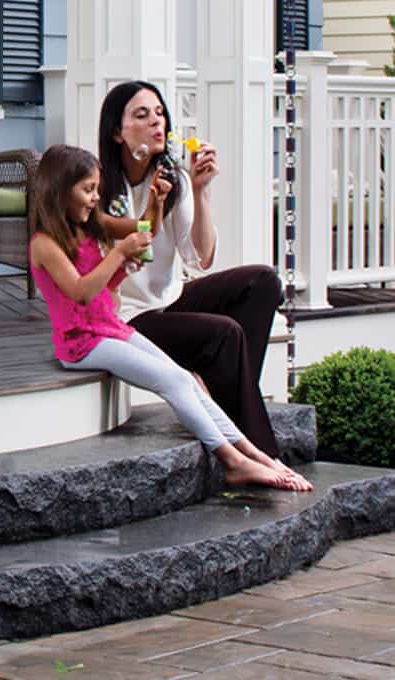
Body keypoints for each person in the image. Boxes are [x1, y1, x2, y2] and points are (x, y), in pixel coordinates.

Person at [27, 144, 308, 491]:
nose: (95, 198)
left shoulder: (91, 224)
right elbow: (81, 291)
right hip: (82, 343)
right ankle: (232, 462)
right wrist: (119, 253)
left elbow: (143, 229)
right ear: (59, 189)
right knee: (172, 381)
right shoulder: (44, 244)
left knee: (185, 377)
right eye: (88, 189)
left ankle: (254, 453)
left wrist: (156, 204)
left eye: (97, 188)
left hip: (109, 327)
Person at [93, 80, 288, 460]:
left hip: (170, 300)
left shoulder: (174, 179)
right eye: (142, 115)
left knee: (263, 282)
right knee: (225, 333)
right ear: (117, 132)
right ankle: (263, 453)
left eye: (160, 113)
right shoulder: (100, 188)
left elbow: (200, 258)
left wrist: (199, 190)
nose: (157, 122)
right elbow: (122, 257)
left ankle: (223, 407)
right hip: (128, 317)